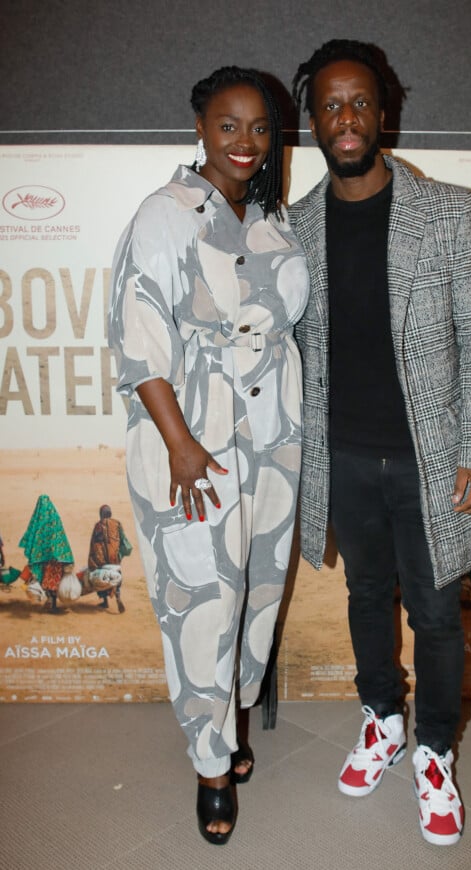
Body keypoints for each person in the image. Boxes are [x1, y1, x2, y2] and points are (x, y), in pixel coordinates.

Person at [289, 39, 471, 846]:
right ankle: (381, 718)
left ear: (385, 113)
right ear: (313, 121)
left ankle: (436, 751)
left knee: (438, 612)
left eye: (360, 103)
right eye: (331, 106)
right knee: (363, 598)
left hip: (432, 458)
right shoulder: (294, 225)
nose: (346, 119)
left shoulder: (450, 210)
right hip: (341, 457)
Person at [108, 66, 309, 845]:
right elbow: (137, 339)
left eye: (260, 127)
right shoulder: (166, 213)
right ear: (199, 127)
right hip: (192, 439)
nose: (246, 142)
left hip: (273, 444)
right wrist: (182, 445)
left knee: (257, 593)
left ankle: (235, 727)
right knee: (199, 600)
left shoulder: (271, 217)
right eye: (229, 124)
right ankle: (209, 766)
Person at [18, 494, 75, 612]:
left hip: (43, 559)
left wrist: (37, 554)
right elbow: (61, 536)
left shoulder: (37, 520)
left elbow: (32, 536)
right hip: (56, 558)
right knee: (54, 580)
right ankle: (52, 603)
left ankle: (50, 601)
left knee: (46, 579)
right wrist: (64, 554)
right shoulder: (54, 517)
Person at [87, 504, 133, 612]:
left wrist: (92, 560)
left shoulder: (98, 525)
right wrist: (119, 553)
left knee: (102, 577)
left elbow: (94, 545)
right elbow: (124, 541)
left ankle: (105, 601)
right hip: (114, 558)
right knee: (116, 576)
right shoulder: (117, 524)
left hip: (101, 559)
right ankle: (117, 596)